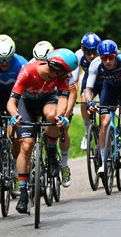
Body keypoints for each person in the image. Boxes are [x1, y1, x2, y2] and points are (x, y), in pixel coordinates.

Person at [7, 48, 78, 214]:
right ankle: (23, 192)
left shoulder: (62, 76)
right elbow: (12, 102)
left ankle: (52, 154)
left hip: (47, 101)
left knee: (53, 116)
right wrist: (14, 115)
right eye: (64, 72)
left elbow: (62, 99)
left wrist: (61, 116)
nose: (66, 75)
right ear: (55, 67)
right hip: (26, 104)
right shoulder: (27, 71)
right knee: (26, 145)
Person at [86, 40, 121, 173]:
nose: (107, 61)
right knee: (104, 123)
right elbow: (88, 89)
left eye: (110, 57)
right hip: (109, 89)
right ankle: (103, 161)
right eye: (104, 58)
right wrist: (90, 101)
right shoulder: (95, 64)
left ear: (116, 55)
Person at [0, 34, 28, 196]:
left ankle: (17, 172)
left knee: (16, 134)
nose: (4, 63)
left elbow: (25, 91)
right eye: (1, 60)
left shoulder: (21, 64)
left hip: (16, 98)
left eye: (7, 59)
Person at [76, 33, 102, 150]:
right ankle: (87, 133)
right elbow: (75, 79)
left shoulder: (104, 53)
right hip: (89, 81)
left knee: (106, 107)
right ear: (82, 49)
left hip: (104, 81)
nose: (92, 56)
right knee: (84, 100)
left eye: (95, 52)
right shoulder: (78, 55)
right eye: (88, 52)